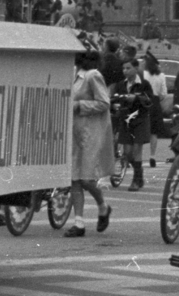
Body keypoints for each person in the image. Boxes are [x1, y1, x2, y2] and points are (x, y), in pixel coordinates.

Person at [66, 50, 113, 237]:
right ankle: (79, 223)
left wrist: (80, 105)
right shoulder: (74, 75)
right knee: (74, 179)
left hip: (91, 132)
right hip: (75, 131)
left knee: (86, 179)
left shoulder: (92, 76)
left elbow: (104, 102)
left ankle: (103, 206)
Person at [112, 57, 155, 190]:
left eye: (128, 68)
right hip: (125, 120)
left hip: (140, 119)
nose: (125, 71)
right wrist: (115, 105)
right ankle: (139, 176)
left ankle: (136, 180)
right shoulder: (121, 84)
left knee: (137, 149)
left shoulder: (144, 84)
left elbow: (149, 100)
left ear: (136, 68)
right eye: (123, 68)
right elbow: (114, 98)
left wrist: (136, 98)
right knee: (128, 152)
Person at [143, 52, 170, 168]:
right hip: (155, 102)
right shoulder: (161, 76)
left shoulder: (143, 74)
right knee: (154, 131)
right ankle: (152, 156)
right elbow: (164, 94)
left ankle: (133, 157)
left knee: (140, 128)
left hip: (144, 101)